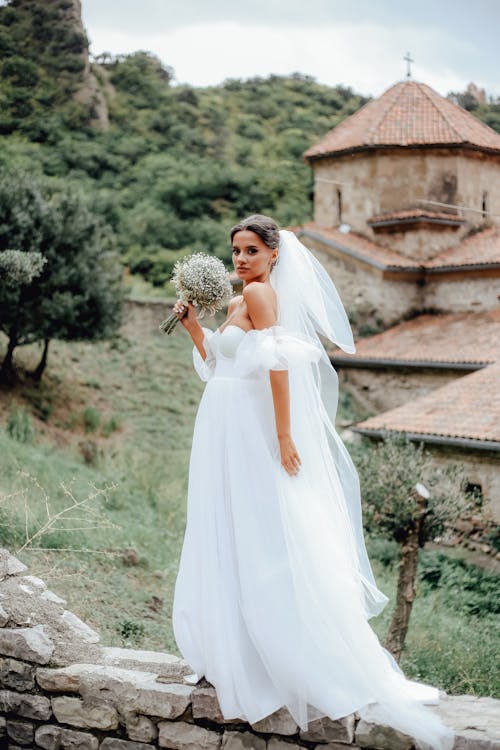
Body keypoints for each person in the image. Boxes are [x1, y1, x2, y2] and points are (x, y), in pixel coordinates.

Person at [171, 214, 454, 750]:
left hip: (248, 433)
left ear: (274, 254)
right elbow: (220, 365)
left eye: (251, 250)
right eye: (235, 250)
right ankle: (237, 647)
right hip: (221, 427)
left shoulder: (262, 298)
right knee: (226, 528)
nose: (240, 259)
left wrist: (283, 437)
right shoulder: (240, 299)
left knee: (260, 531)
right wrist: (190, 325)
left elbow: (278, 368)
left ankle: (279, 653)